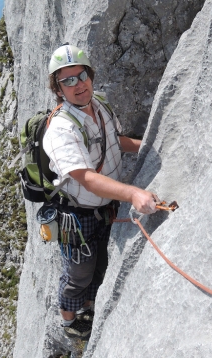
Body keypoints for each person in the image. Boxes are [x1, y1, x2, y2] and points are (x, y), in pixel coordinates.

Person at [43, 43, 159, 340]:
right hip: (79, 215)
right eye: (67, 80)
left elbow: (116, 140)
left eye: (80, 75)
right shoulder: (60, 130)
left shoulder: (101, 105)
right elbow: (87, 179)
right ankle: (69, 322)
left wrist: (152, 146)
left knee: (101, 264)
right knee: (79, 271)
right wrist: (133, 194)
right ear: (58, 89)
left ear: (90, 75)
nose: (77, 84)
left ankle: (90, 305)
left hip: (107, 206)